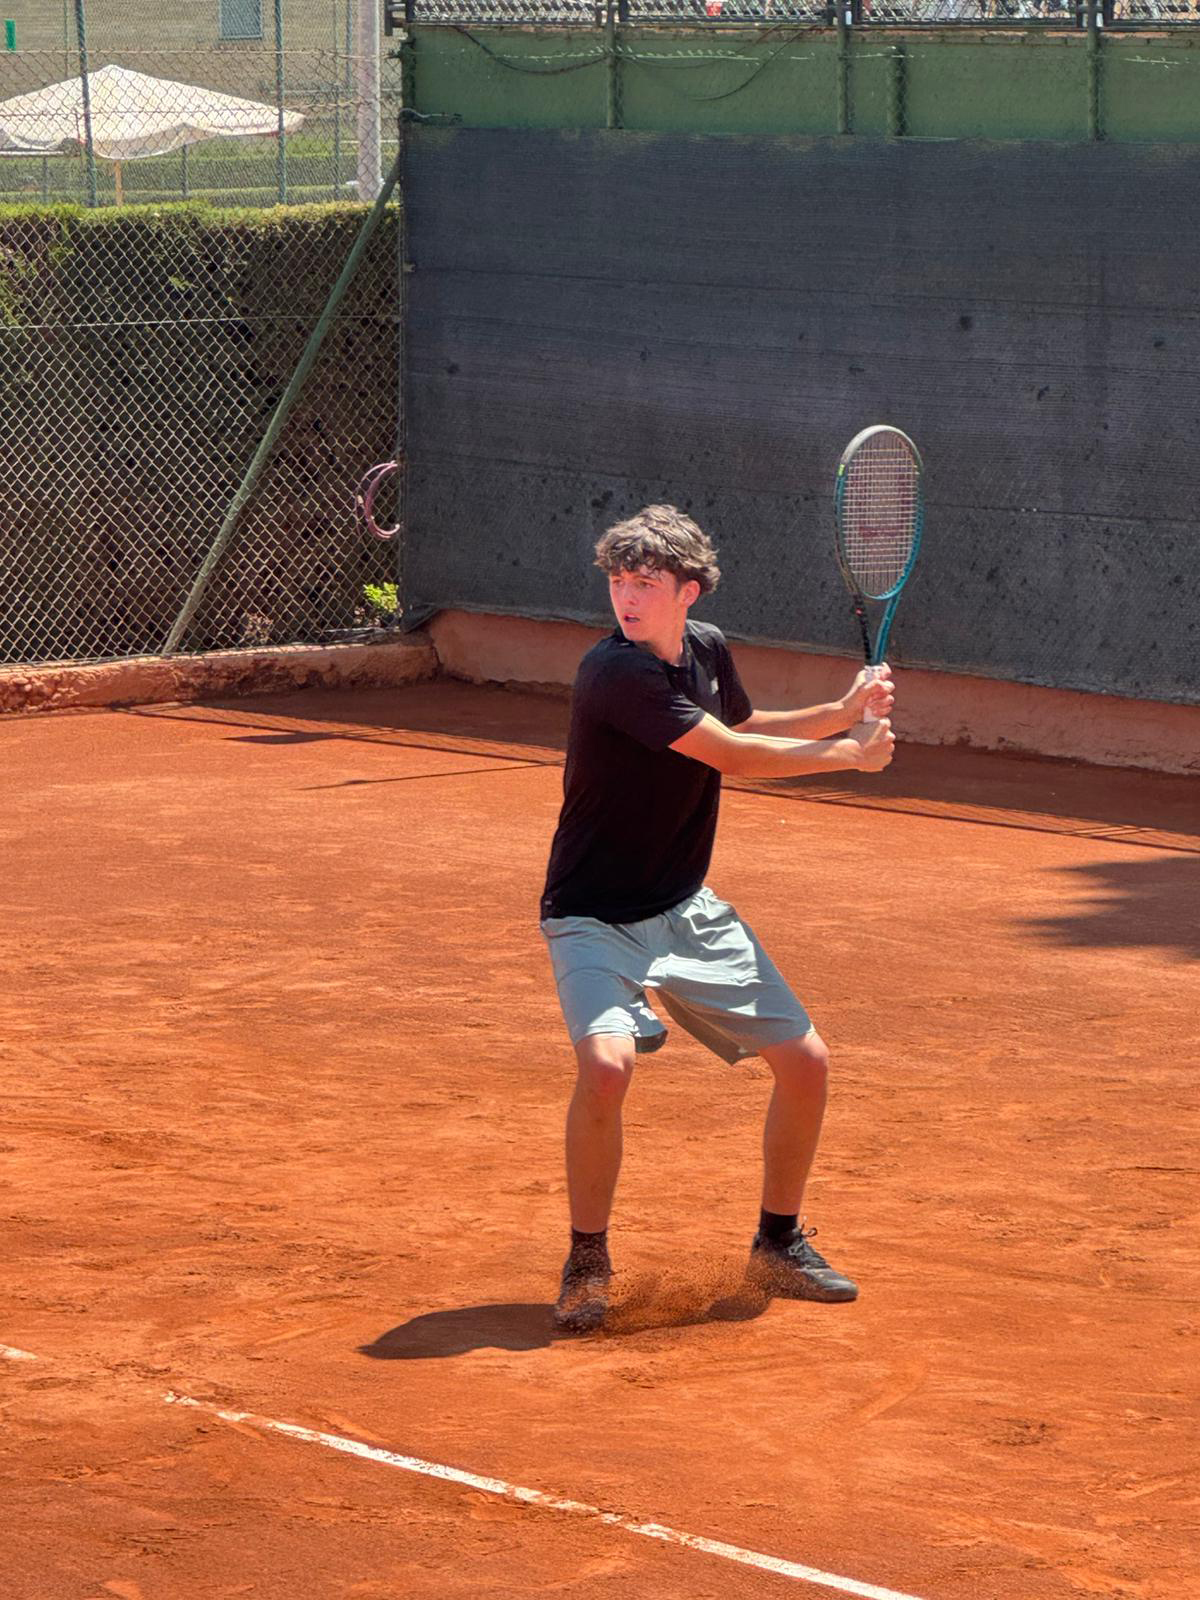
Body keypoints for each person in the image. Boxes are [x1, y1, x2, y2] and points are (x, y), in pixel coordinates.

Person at [540, 505, 895, 1333]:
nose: (627, 598)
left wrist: (839, 711)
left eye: (645, 583)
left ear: (687, 592)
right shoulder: (614, 673)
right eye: (618, 581)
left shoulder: (704, 649)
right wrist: (848, 754)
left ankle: (778, 1245)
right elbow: (732, 757)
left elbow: (741, 725)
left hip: (684, 906)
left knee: (806, 1062)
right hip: (593, 916)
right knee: (607, 1070)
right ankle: (587, 1260)